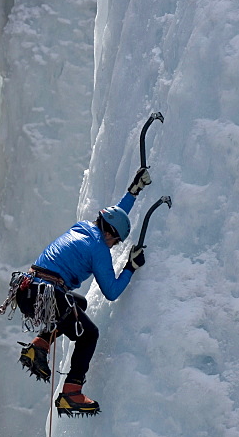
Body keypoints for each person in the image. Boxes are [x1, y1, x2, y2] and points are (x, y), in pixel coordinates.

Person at [15, 167, 150, 416]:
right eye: (115, 241)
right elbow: (111, 291)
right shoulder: (99, 249)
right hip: (47, 295)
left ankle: (39, 346)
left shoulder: (83, 227)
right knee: (89, 335)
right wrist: (130, 267)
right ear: (109, 234)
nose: (114, 245)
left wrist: (134, 192)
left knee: (79, 305)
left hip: (29, 289)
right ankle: (71, 392)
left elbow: (115, 218)